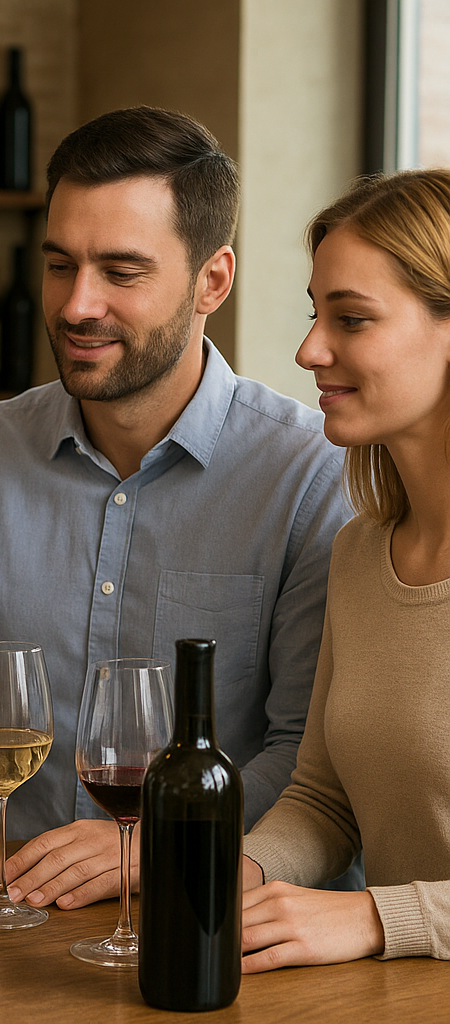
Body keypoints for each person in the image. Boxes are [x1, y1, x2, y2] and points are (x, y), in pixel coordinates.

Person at [0, 105, 354, 907]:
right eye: (59, 265)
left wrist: (163, 841)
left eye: (121, 271)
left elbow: (303, 754)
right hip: (10, 911)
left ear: (211, 280)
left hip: (216, 918)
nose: (78, 305)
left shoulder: (312, 475)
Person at [241, 168, 450, 968]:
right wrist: (243, 870)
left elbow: (380, 913)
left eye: (351, 319)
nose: (308, 350)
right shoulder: (361, 553)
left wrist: (373, 920)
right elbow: (325, 799)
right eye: (315, 313)